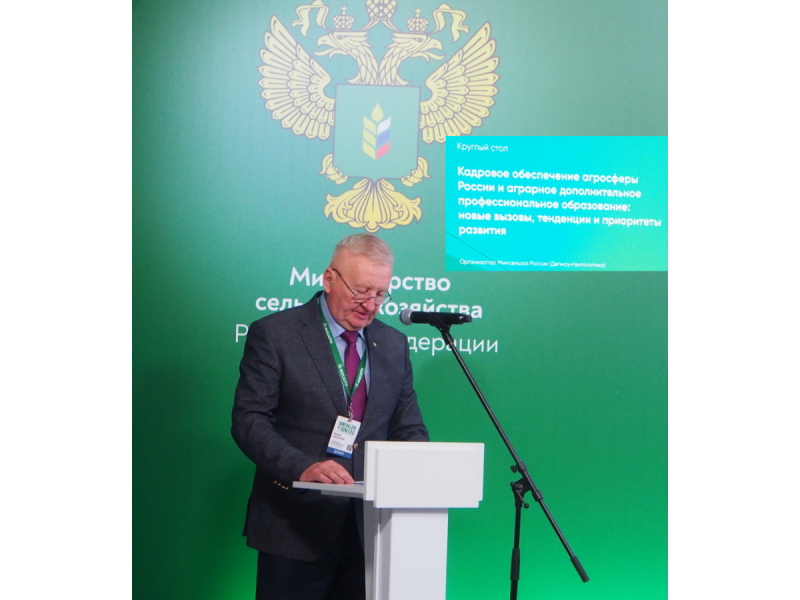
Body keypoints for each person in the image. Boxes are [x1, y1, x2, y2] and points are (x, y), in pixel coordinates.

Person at [232, 233, 429, 600]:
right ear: (328, 279)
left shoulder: (393, 344)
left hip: (369, 531)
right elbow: (249, 420)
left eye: (381, 294)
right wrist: (302, 467)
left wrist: (418, 463)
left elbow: (408, 426)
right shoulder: (276, 334)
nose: (370, 305)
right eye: (361, 291)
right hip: (294, 527)